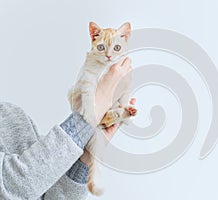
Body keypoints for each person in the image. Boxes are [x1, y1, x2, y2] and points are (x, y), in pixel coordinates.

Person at [0, 58, 133, 200]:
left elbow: (40, 194)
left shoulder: (10, 115)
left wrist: (85, 157)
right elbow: (15, 187)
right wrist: (91, 111)